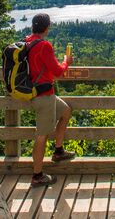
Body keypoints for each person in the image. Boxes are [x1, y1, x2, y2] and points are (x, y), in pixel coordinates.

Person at [24, 13, 75, 186]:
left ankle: (58, 151)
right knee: (42, 136)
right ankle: (37, 176)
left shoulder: (27, 42)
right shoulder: (44, 45)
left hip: (36, 93)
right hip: (43, 96)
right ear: (47, 27)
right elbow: (57, 71)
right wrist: (66, 61)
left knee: (66, 111)